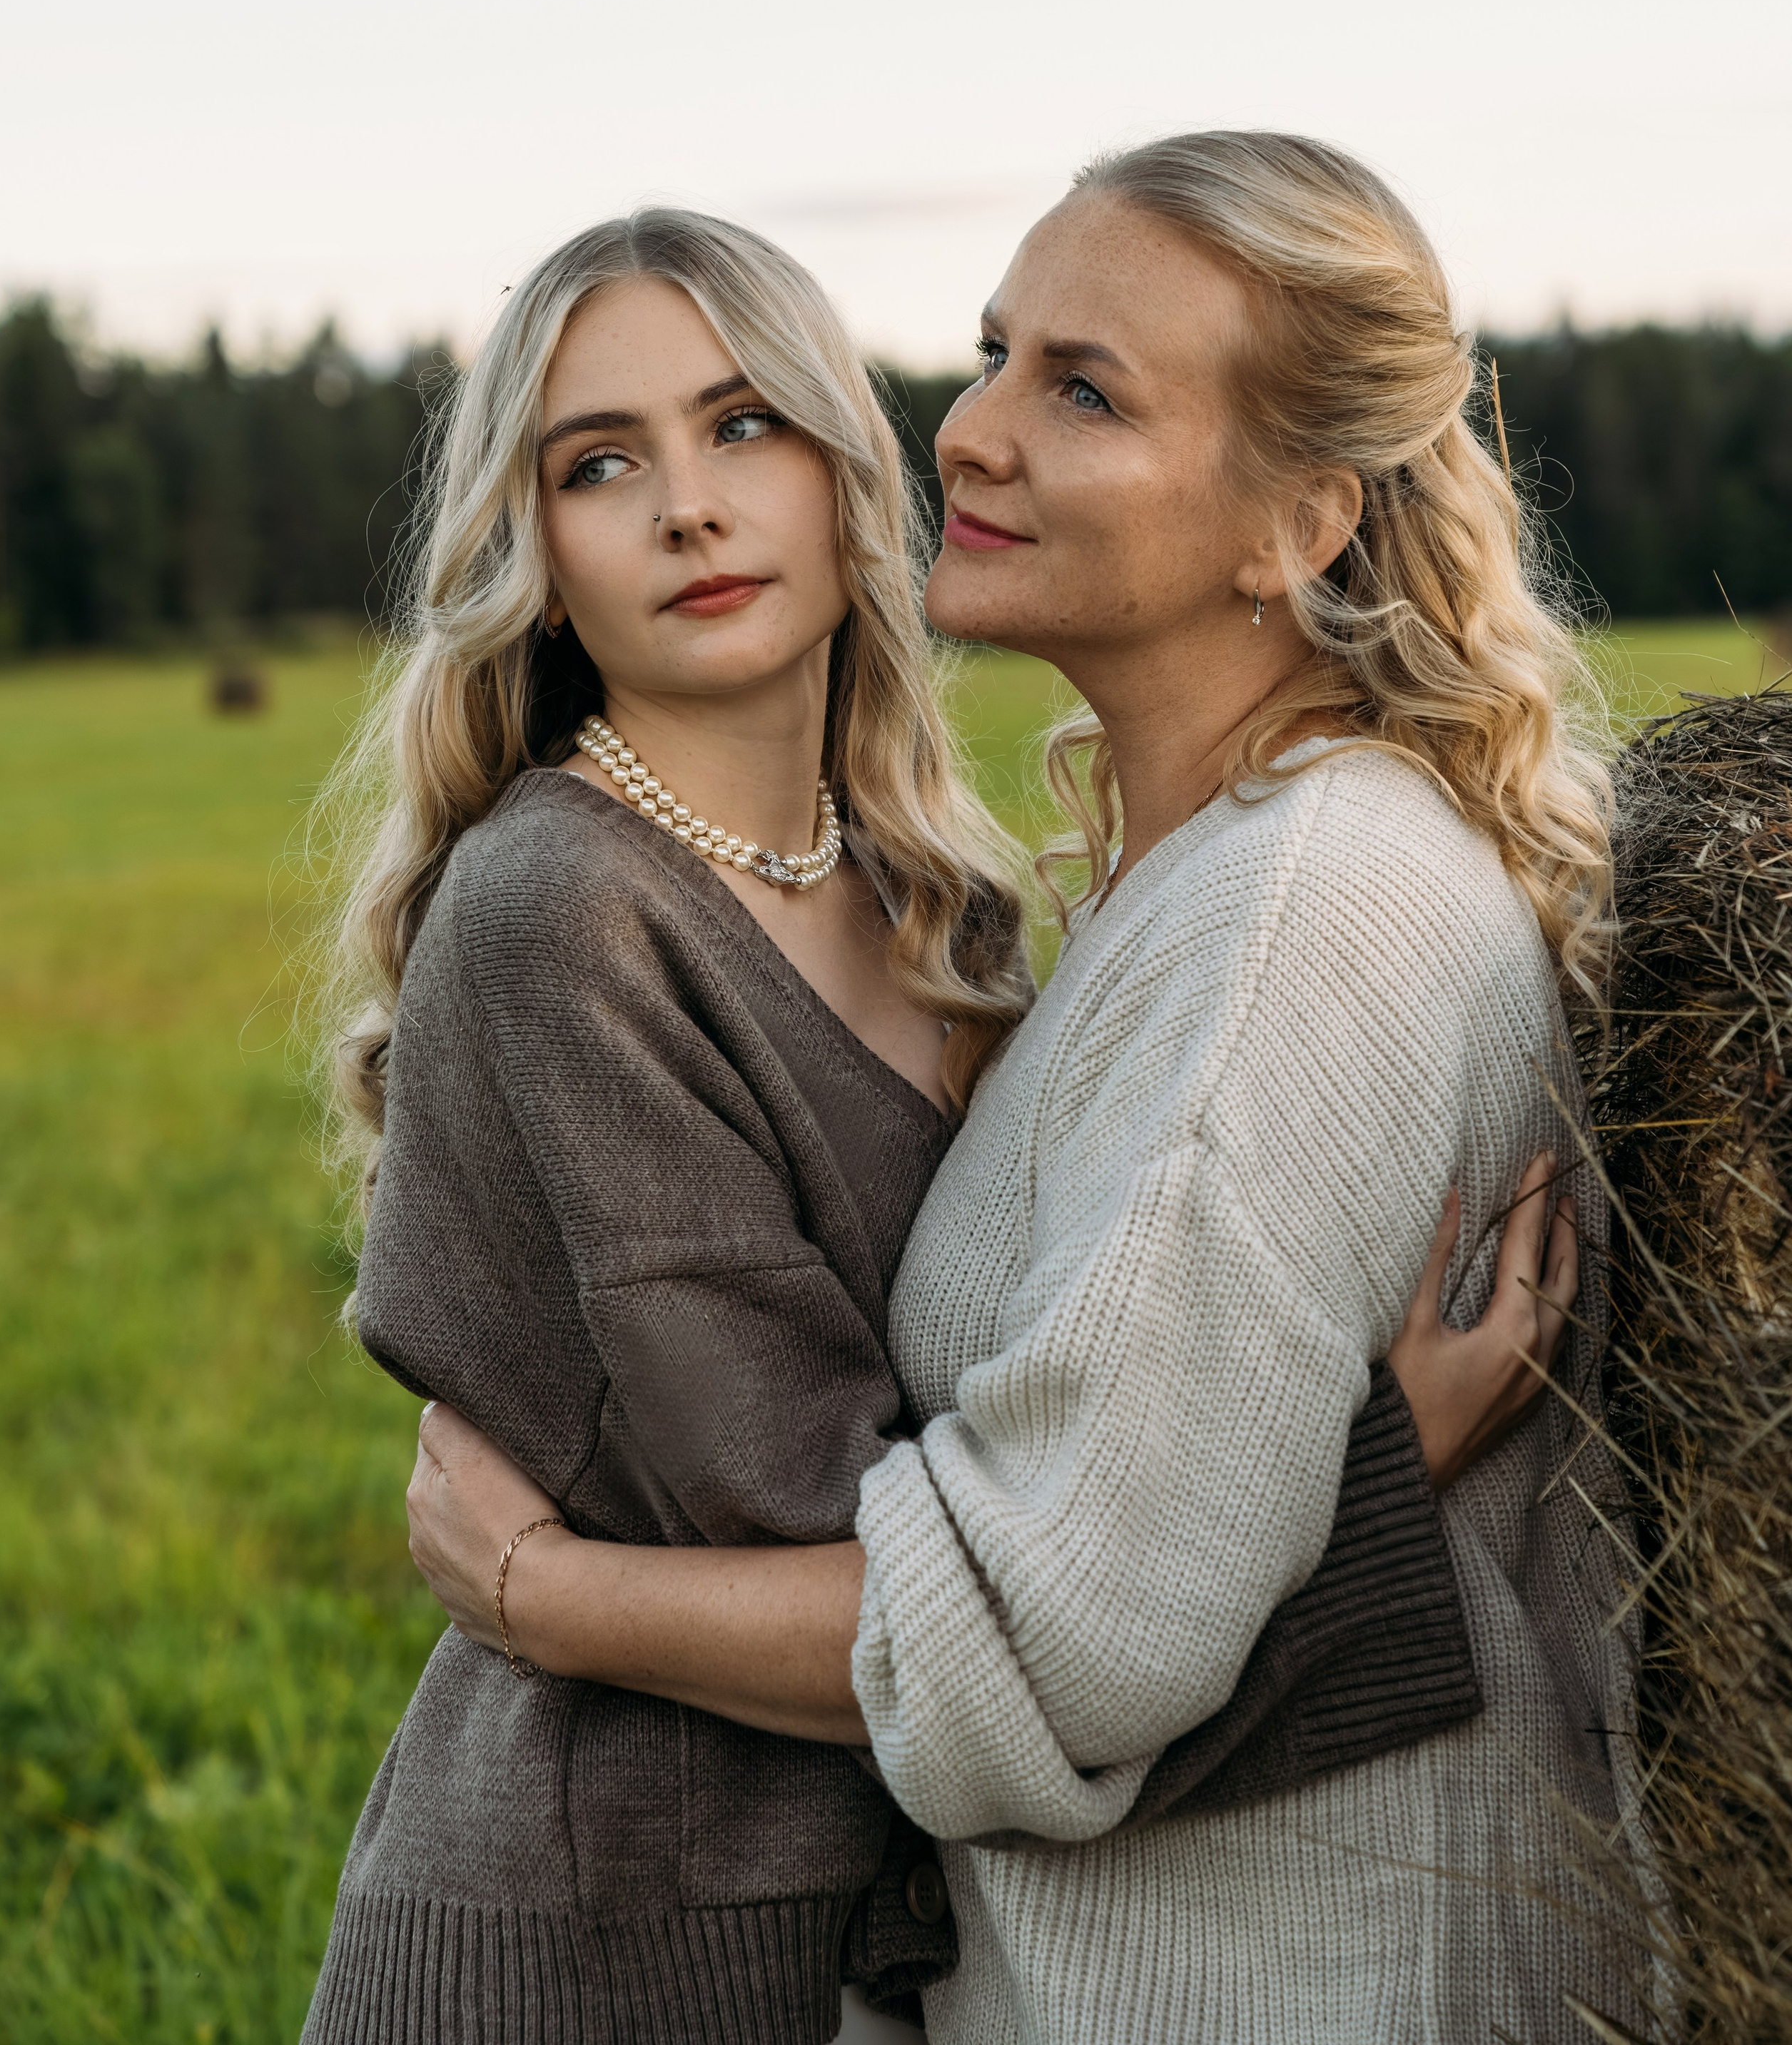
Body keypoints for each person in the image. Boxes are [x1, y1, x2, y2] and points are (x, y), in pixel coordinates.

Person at [404, 142, 1650, 2045]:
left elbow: (1045, 1640)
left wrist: (544, 1592)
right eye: (993, 352)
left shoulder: (1288, 920)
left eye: (1082, 389)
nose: (967, 430)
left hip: (1268, 1977)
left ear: (1300, 522)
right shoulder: (1194, 884)